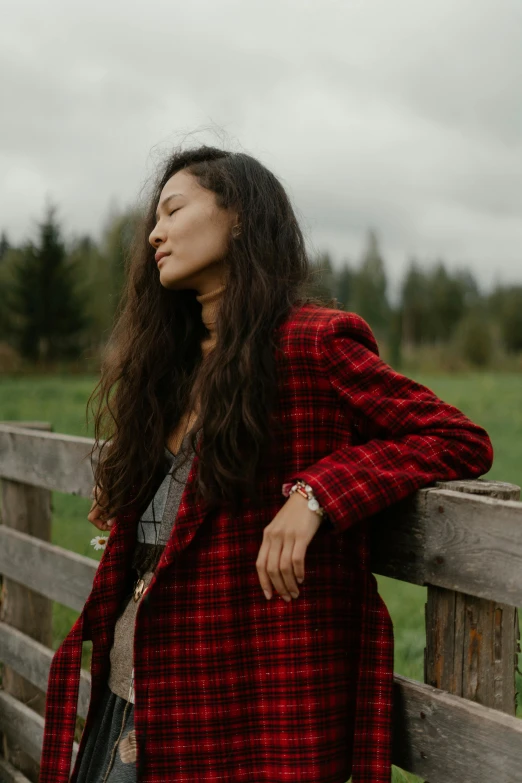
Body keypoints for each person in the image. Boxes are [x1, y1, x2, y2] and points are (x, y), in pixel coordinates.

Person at [39, 145, 493, 783]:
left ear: (241, 218)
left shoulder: (312, 342)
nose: (154, 233)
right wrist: (136, 493)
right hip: (131, 689)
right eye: (154, 218)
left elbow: (454, 437)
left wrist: (316, 495)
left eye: (174, 209)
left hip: (239, 711)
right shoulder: (173, 366)